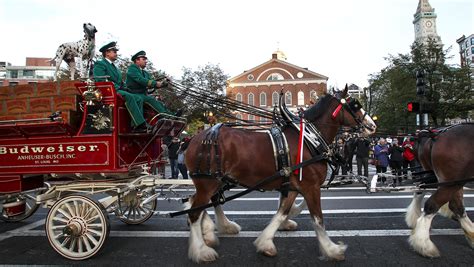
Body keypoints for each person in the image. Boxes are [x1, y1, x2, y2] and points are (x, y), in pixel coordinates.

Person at [93, 42, 149, 133]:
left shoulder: (115, 67)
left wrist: (127, 88)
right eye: (114, 51)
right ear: (107, 53)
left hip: (117, 90)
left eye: (116, 51)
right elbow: (100, 80)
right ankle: (140, 124)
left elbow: (121, 82)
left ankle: (135, 125)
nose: (116, 53)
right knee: (130, 97)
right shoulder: (100, 64)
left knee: (138, 98)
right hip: (108, 92)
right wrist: (118, 87)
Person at [125, 50, 182, 122]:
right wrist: (155, 84)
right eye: (144, 59)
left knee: (158, 102)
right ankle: (168, 117)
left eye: (146, 59)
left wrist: (164, 83)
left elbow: (152, 82)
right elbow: (141, 80)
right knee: (151, 100)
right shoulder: (132, 69)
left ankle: (170, 116)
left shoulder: (145, 72)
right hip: (134, 94)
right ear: (137, 60)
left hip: (143, 94)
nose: (146, 61)